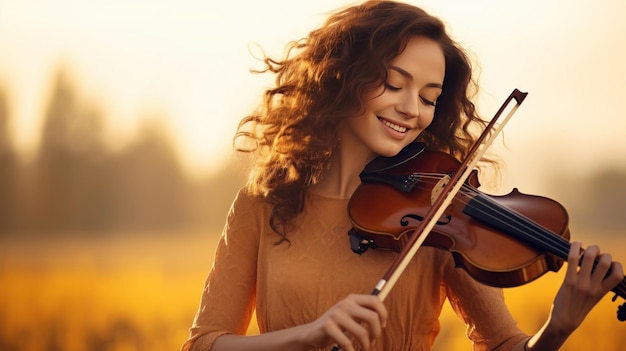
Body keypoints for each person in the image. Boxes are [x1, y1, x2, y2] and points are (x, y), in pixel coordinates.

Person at [182, 1, 624, 350]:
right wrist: (309, 335)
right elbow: (204, 344)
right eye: (395, 85)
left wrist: (558, 328)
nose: (412, 109)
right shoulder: (263, 203)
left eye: (429, 97)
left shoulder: (441, 218)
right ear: (343, 77)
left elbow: (505, 345)